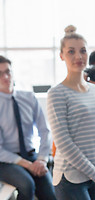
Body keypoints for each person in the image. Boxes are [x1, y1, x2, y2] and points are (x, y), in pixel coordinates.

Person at [47, 25, 95, 200]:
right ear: (62, 56)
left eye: (83, 51)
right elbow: (64, 142)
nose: (78, 56)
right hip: (70, 177)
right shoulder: (56, 93)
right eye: (71, 52)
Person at [0, 55, 56, 200]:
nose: (6, 77)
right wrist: (29, 165)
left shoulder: (29, 98)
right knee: (27, 184)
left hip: (32, 156)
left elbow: (45, 131)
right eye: (0, 74)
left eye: (8, 71)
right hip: (5, 161)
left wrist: (42, 160)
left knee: (51, 195)